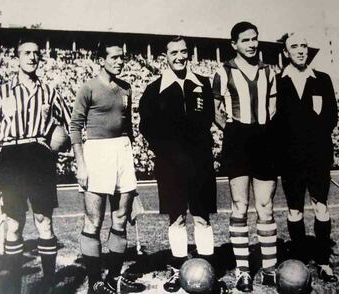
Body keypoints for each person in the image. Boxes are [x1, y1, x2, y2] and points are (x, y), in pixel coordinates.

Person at [0, 38, 71, 294]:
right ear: (17, 57)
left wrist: (57, 141)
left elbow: (69, 126)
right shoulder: (2, 91)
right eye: (26, 53)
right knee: (14, 222)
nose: (32, 57)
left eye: (36, 53)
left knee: (44, 219)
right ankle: (13, 282)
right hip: (11, 157)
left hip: (39, 155)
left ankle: (48, 282)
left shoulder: (49, 91)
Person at [139, 36, 217, 293]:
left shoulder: (202, 83)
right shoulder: (154, 89)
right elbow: (147, 128)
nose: (180, 57)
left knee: (202, 217)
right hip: (170, 165)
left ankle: (207, 268)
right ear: (166, 56)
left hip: (200, 162)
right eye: (174, 53)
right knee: (177, 219)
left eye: (184, 52)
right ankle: (177, 270)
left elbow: (207, 121)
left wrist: (196, 154)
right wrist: (171, 154)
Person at [70, 40, 145, 294]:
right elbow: (75, 128)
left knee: (121, 219)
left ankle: (114, 279)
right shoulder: (88, 88)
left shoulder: (127, 88)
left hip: (122, 151)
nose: (119, 61)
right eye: (113, 57)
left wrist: (130, 163)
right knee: (94, 221)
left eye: (122, 57)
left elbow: (129, 129)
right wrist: (81, 164)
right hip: (96, 152)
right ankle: (95, 282)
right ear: (102, 59)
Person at [212, 22, 278, 292]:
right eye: (246, 40)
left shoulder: (268, 71)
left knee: (266, 207)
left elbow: (272, 106)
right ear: (234, 44)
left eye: (255, 39)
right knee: (240, 207)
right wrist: (232, 129)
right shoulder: (223, 70)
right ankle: (243, 271)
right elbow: (215, 109)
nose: (252, 44)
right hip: (238, 141)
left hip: (264, 141)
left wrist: (264, 130)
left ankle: (270, 269)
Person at [275, 32, 338, 282]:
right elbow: (276, 122)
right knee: (294, 210)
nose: (301, 50)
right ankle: (299, 260)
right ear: (286, 52)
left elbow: (331, 117)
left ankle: (323, 261)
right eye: (295, 47)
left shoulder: (322, 79)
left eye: (304, 45)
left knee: (320, 207)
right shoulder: (279, 81)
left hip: (318, 156)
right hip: (291, 160)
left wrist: (314, 146)